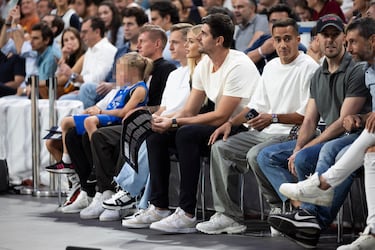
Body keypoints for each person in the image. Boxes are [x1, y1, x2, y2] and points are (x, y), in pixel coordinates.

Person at [122, 13, 259, 233]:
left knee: (186, 134)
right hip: (220, 124)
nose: (196, 38)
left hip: (244, 125)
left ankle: (187, 213)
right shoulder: (205, 65)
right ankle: (160, 207)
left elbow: (221, 116)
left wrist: (175, 122)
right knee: (156, 135)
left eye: (203, 34)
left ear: (219, 40)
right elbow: (190, 109)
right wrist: (163, 120)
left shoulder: (238, 64)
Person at [194, 17, 319, 235]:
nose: (282, 45)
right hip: (266, 131)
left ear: (298, 39)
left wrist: (273, 118)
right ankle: (228, 216)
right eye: (277, 39)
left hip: (293, 133)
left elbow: (306, 116)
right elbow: (254, 107)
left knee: (255, 155)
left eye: (288, 39)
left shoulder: (309, 67)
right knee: (221, 148)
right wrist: (231, 123)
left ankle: (279, 208)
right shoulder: (270, 67)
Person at [257, 14, 372, 248]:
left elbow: (342, 122)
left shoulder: (358, 69)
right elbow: (309, 119)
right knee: (265, 156)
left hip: (345, 135)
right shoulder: (319, 74)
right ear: (316, 40)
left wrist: (308, 146)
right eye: (325, 36)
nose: (331, 41)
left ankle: (311, 220)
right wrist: (299, 147)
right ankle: (300, 211)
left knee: (327, 150)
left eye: (336, 35)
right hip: (336, 133)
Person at [60, 25, 176, 216]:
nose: (137, 44)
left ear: (156, 44)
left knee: (98, 136)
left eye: (142, 41)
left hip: (143, 122)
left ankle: (108, 190)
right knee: (74, 135)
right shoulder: (133, 77)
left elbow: (161, 105)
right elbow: (121, 98)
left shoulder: (166, 69)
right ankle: (88, 190)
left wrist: (141, 110)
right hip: (127, 118)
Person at [90, 23, 194, 221]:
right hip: (164, 120)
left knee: (144, 131)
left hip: (180, 123)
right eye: (171, 42)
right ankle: (106, 192)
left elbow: (189, 108)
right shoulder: (174, 73)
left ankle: (132, 194)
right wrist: (155, 115)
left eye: (177, 42)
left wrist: (155, 115)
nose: (171, 47)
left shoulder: (179, 70)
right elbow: (163, 105)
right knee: (137, 129)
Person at [46, 52, 151, 174]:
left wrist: (100, 111)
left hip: (115, 119)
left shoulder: (139, 89)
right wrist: (94, 110)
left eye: (120, 71)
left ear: (132, 71)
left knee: (90, 121)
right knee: (66, 121)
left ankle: (97, 160)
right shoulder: (123, 88)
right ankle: (67, 160)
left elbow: (124, 112)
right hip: (107, 115)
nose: (116, 75)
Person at [58, 17, 117, 108]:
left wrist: (72, 75)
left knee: (87, 87)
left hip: (103, 90)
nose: (81, 35)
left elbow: (97, 79)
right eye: (65, 40)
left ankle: (85, 119)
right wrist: (63, 57)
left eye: (85, 32)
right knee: (63, 100)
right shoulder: (89, 50)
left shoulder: (107, 49)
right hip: (83, 88)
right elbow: (57, 78)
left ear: (97, 32)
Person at [244, 4, 307, 74]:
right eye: (273, 21)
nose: (277, 25)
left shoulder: (299, 47)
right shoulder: (263, 40)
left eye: (282, 21)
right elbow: (243, 61)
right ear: (268, 24)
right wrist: (261, 51)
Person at [149, 1, 180, 66]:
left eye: (154, 19)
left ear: (167, 18)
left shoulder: (181, 37)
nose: (151, 23)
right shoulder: (155, 37)